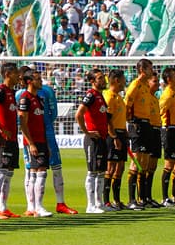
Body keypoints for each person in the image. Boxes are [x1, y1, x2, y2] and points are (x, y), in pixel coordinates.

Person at [35, 72, 77, 214]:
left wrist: (46, 126)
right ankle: (33, 206)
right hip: (33, 136)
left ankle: (60, 203)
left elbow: (53, 113)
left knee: (56, 166)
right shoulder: (22, 96)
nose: (40, 81)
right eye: (37, 78)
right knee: (34, 170)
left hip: (48, 133)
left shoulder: (47, 91)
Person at [124, 58, 161, 209]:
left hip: (147, 124)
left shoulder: (145, 86)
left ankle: (143, 198)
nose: (151, 71)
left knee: (144, 163)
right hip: (137, 124)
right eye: (149, 68)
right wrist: (131, 123)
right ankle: (132, 200)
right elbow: (127, 104)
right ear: (142, 70)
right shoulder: (135, 85)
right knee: (137, 162)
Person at [16, 68, 52, 217]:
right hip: (33, 141)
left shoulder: (39, 99)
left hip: (41, 140)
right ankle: (38, 207)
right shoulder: (25, 98)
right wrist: (30, 143)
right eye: (37, 79)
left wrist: (46, 143)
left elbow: (41, 123)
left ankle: (34, 207)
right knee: (39, 172)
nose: (41, 81)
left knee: (37, 172)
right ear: (29, 81)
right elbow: (23, 123)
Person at [0, 61, 21, 219]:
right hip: (2, 138)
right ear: (8, 74)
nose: (18, 76)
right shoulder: (0, 91)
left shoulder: (11, 92)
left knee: (8, 172)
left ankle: (3, 207)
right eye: (16, 73)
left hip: (12, 137)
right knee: (0, 172)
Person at [74, 68, 109, 214]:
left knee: (101, 172)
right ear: (92, 81)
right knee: (93, 172)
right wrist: (87, 132)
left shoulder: (100, 96)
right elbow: (79, 114)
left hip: (102, 137)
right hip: (92, 139)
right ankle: (90, 205)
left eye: (103, 77)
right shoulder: (91, 95)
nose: (103, 80)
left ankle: (99, 203)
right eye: (100, 78)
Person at [158, 67, 175, 206]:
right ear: (169, 80)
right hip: (170, 130)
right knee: (169, 163)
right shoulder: (167, 94)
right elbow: (160, 110)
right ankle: (164, 197)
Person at [102, 69, 128, 210]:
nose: (125, 82)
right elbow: (107, 120)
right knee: (110, 168)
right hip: (113, 135)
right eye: (123, 79)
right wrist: (114, 137)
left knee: (120, 167)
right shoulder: (109, 97)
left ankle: (117, 200)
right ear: (117, 80)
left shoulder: (118, 97)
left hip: (121, 133)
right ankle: (106, 201)